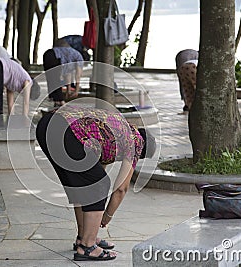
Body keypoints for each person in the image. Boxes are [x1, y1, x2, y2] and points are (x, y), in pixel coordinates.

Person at [36, 105, 156, 261]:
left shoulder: (119, 127)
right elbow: (121, 189)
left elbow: (94, 171)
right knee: (100, 184)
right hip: (65, 129)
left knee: (84, 184)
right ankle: (87, 246)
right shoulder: (136, 141)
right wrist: (107, 215)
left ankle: (84, 237)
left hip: (47, 124)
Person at [43, 39, 84, 107]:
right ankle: (61, 101)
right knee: (56, 79)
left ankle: (55, 100)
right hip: (54, 56)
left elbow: (68, 74)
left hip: (48, 54)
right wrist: (76, 91)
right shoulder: (79, 59)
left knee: (51, 79)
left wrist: (68, 90)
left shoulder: (72, 54)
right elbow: (78, 76)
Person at [175, 49, 198, 114]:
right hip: (192, 66)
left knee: (187, 89)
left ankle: (188, 107)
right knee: (198, 89)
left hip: (183, 67)